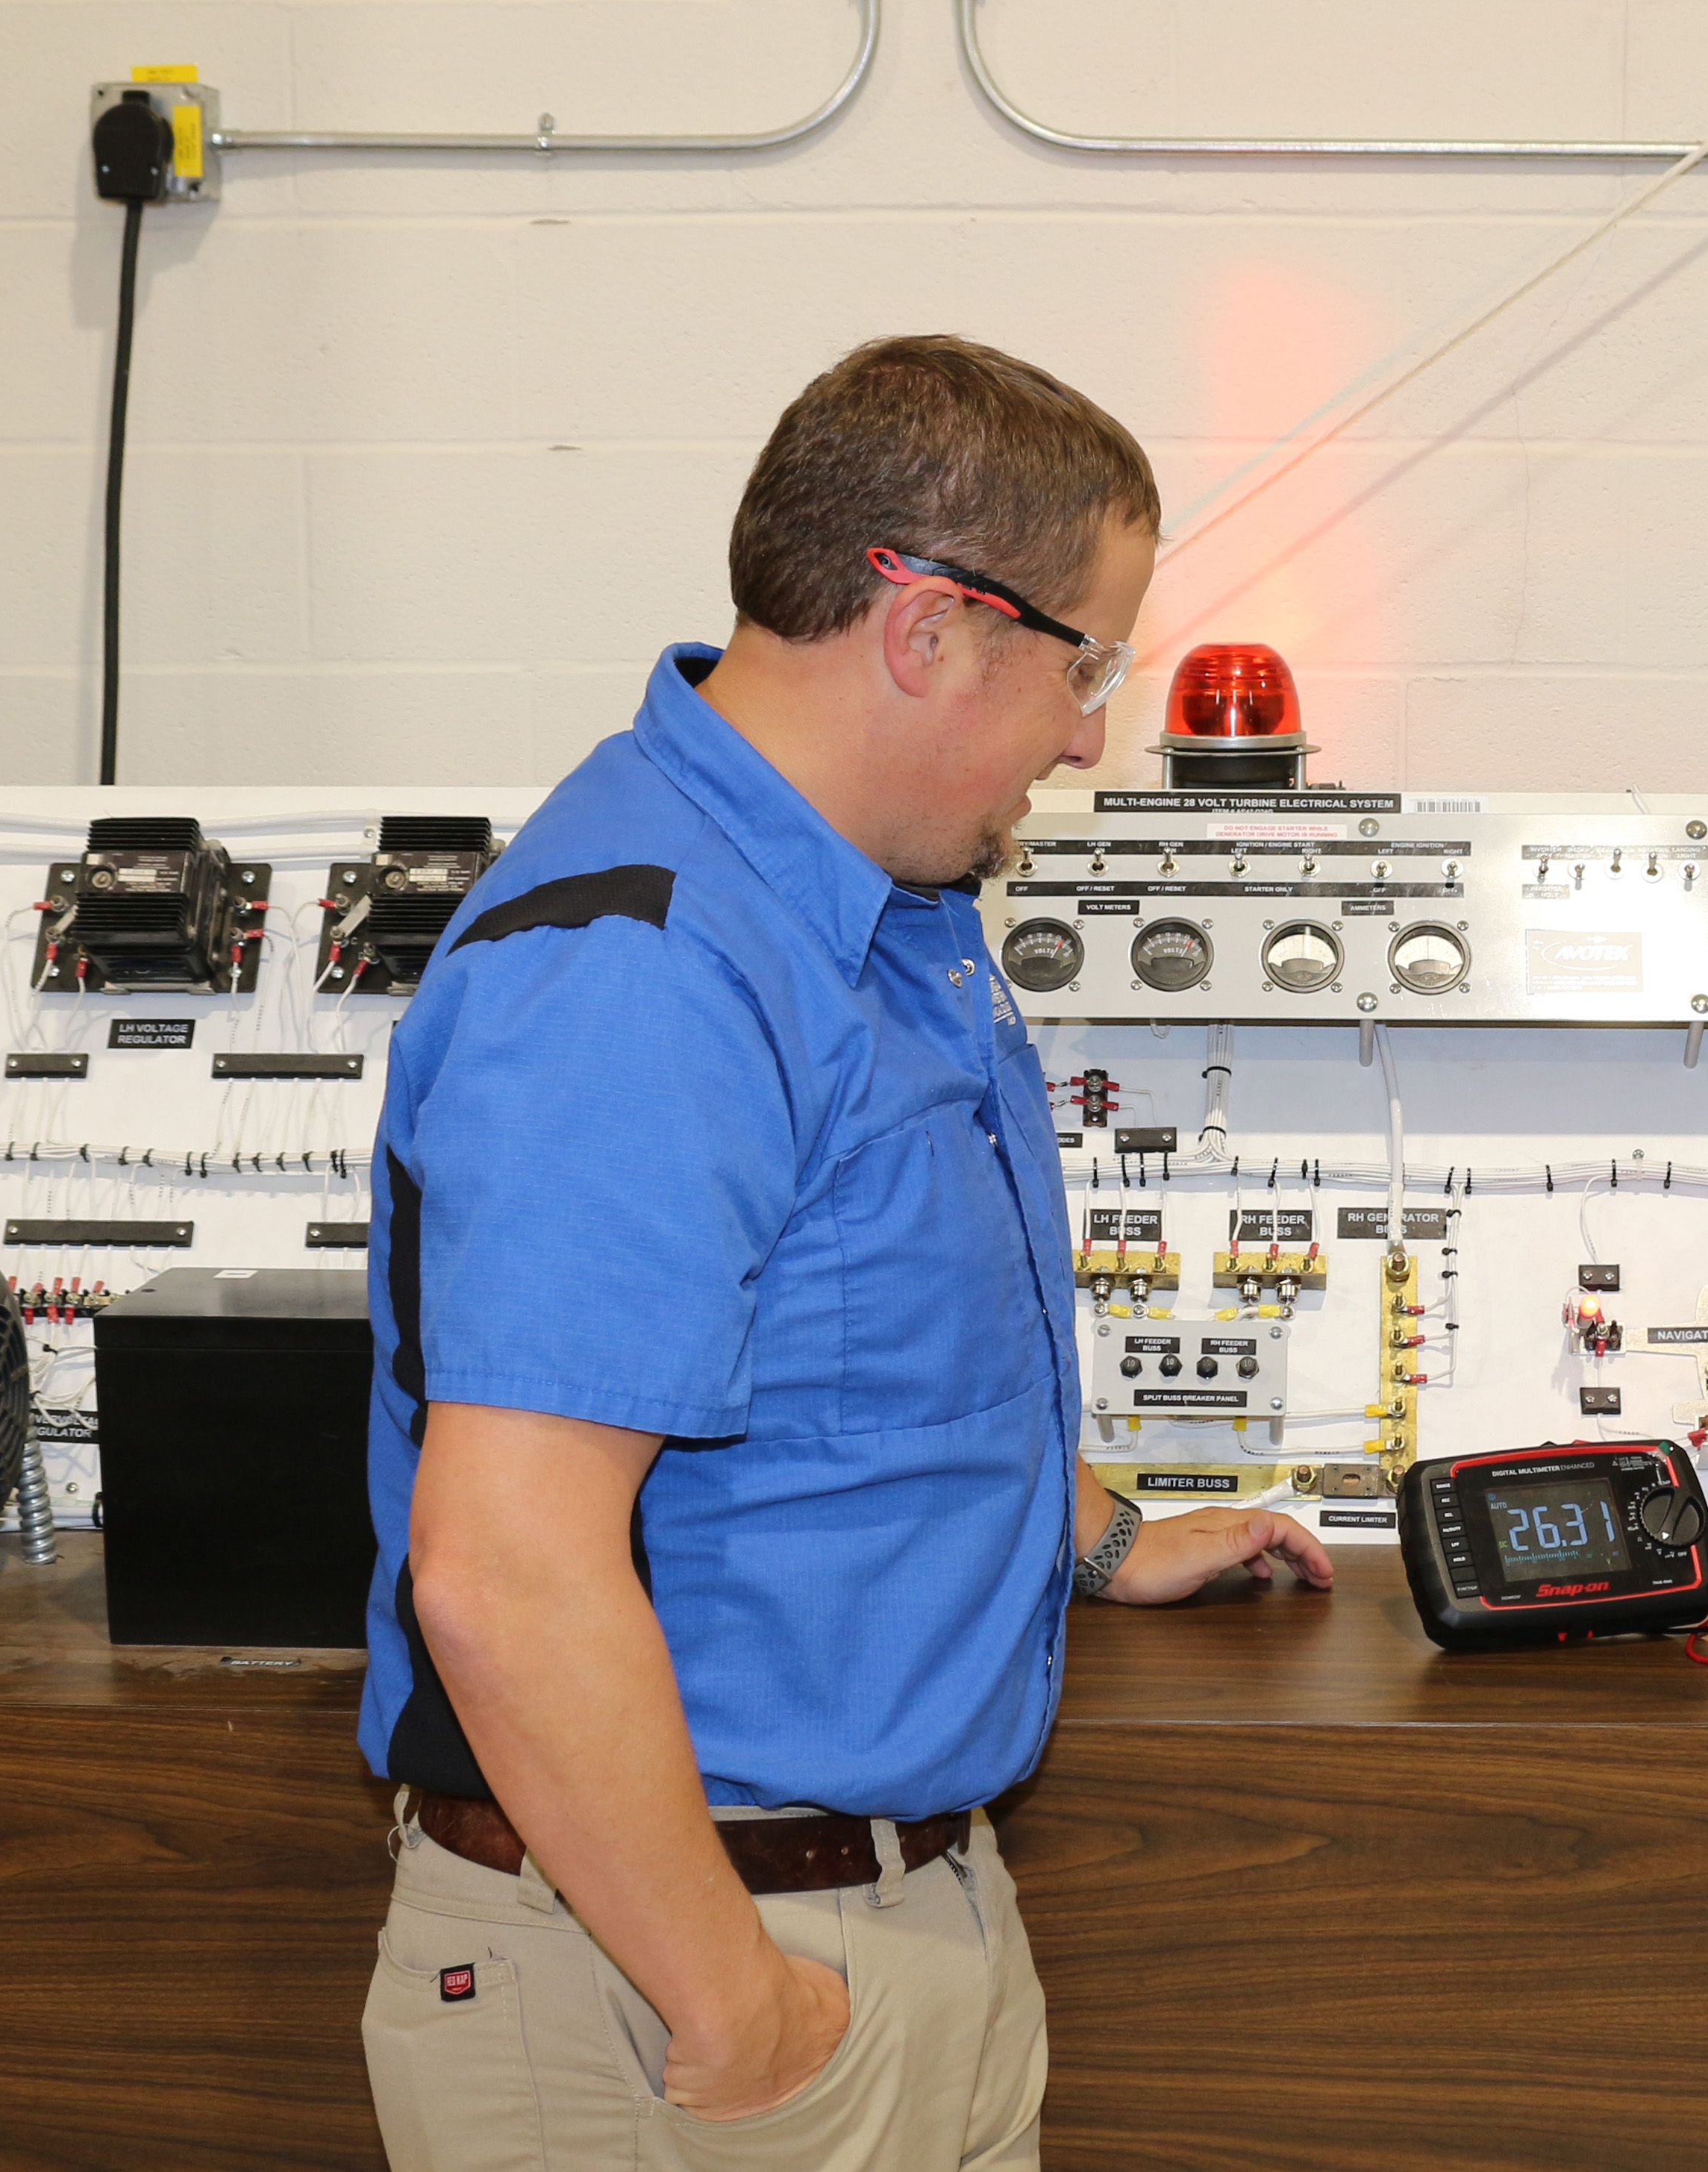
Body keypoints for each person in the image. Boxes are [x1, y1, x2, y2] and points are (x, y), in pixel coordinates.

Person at [352, 334, 1333, 2171]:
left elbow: (868, 1357)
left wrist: (1101, 1532)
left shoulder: (883, 918)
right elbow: (503, 1569)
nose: (1087, 731)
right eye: (1085, 662)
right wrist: (737, 2009)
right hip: (675, 1975)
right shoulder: (643, 970)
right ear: (928, 626)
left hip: (902, 1923)